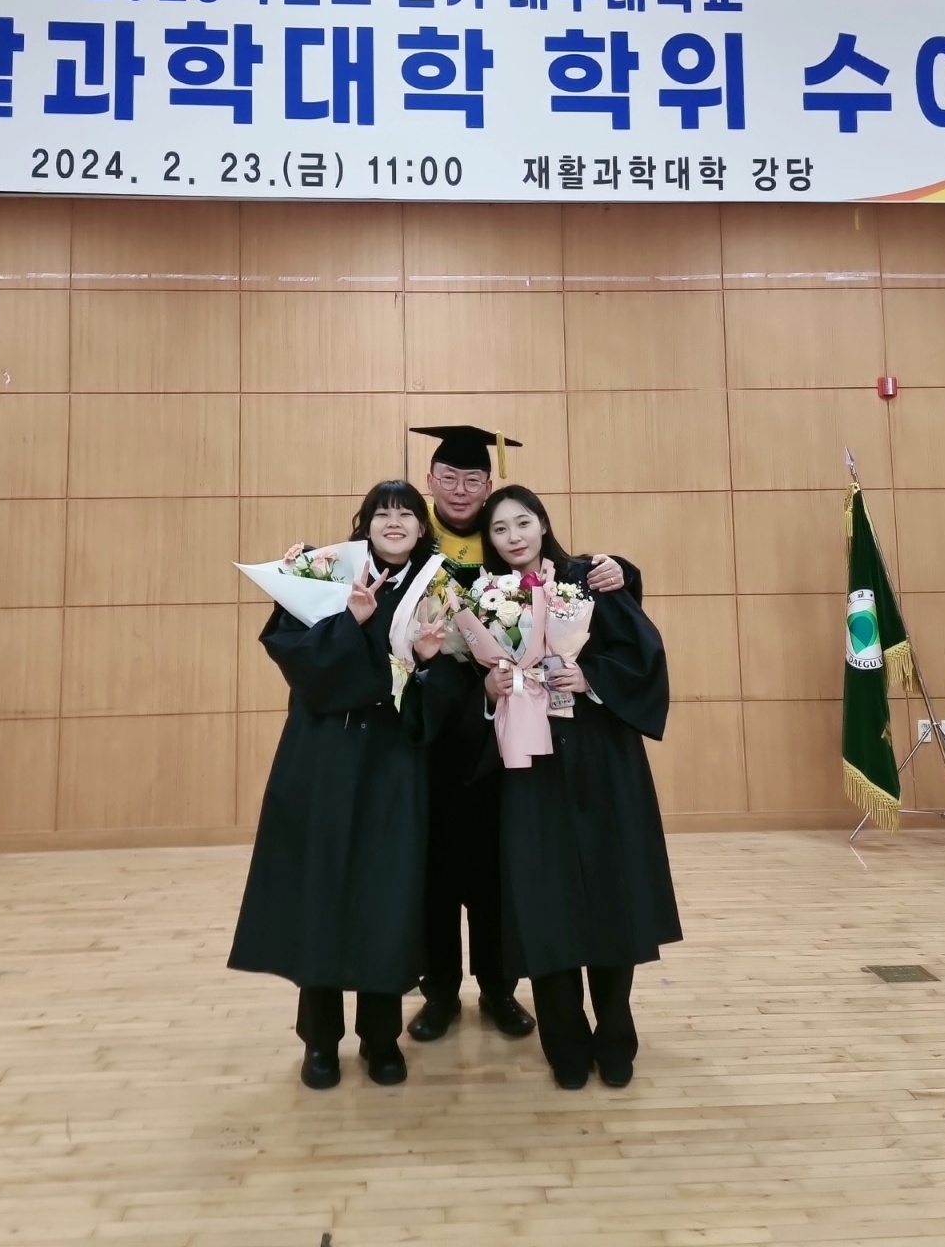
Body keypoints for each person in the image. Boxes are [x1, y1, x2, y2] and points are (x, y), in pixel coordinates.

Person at [405, 425, 639, 1046]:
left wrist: (621, 568)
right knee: (435, 870)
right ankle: (438, 992)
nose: (460, 489)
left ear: (488, 486)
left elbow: (584, 584)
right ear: (430, 482)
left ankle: (499, 988)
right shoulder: (415, 546)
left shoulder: (501, 553)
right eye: (449, 478)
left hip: (507, 738)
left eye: (473, 479)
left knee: (499, 870)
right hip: (434, 737)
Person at [227, 480, 447, 1090]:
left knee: (387, 897)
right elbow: (296, 660)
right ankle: (320, 1041)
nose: (395, 522)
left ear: (422, 528)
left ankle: (381, 1037)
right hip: (323, 756)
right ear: (365, 524)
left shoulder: (437, 587)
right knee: (319, 892)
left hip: (394, 760)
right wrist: (349, 621)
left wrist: (428, 665)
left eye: (407, 513)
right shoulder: (324, 575)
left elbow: (451, 686)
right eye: (383, 513)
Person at [474, 484, 682, 1091]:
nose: (513, 537)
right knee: (544, 901)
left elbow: (643, 656)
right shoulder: (485, 600)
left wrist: (589, 676)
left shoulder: (588, 581)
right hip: (529, 769)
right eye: (500, 529)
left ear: (543, 524)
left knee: (612, 894)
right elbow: (466, 690)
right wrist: (487, 692)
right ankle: (563, 1039)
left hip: (600, 760)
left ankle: (615, 1033)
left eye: (522, 523)